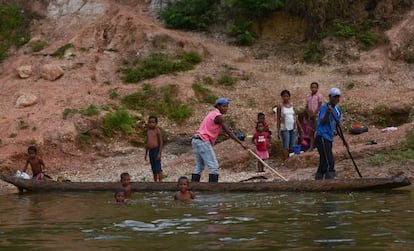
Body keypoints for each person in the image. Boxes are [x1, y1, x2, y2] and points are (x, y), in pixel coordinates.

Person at [191, 97, 247, 183]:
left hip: (196, 140)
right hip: (203, 141)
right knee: (214, 167)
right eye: (224, 106)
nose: (226, 108)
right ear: (218, 106)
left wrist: (223, 134)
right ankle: (213, 192)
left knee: (200, 166)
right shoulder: (219, 117)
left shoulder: (212, 113)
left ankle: (193, 186)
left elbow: (211, 128)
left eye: (227, 106)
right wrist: (241, 143)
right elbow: (228, 131)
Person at [315, 87, 349, 180]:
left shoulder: (338, 110)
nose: (336, 99)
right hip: (322, 136)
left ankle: (319, 176)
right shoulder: (324, 108)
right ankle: (330, 174)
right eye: (334, 97)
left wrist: (344, 140)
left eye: (338, 97)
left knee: (324, 158)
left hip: (329, 137)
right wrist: (327, 113)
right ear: (330, 97)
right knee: (328, 158)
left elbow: (338, 126)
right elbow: (322, 122)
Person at [276, 90, 299, 160]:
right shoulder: (280, 107)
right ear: (282, 97)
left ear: (289, 97)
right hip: (285, 128)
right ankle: (285, 161)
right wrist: (278, 130)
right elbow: (278, 119)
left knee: (292, 145)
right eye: (284, 96)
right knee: (286, 145)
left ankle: (291, 161)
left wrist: (299, 128)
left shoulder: (292, 105)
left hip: (293, 128)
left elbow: (295, 117)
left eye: (287, 96)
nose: (285, 98)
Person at [145, 115, 164, 182]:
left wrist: (159, 153)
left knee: (158, 167)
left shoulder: (157, 131)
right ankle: (155, 181)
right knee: (153, 167)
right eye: (150, 122)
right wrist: (146, 154)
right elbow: (147, 143)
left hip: (156, 150)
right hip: (150, 151)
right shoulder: (148, 131)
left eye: (153, 122)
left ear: (156, 123)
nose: (151, 124)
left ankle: (160, 182)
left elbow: (161, 142)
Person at [305, 82, 323, 151]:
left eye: (315, 87)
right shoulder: (308, 97)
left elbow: (320, 105)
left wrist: (315, 113)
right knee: (312, 131)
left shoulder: (319, 96)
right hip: (311, 117)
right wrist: (309, 114)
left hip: (317, 116)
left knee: (318, 131)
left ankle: (318, 146)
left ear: (317, 88)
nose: (313, 89)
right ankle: (311, 147)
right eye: (312, 87)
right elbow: (306, 106)